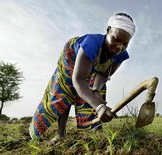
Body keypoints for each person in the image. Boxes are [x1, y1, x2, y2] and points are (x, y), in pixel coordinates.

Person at [29, 12, 135, 140]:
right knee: (66, 91)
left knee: (98, 92)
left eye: (125, 44)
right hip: (71, 56)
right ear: (108, 30)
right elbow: (78, 79)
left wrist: (95, 90)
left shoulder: (121, 54)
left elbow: (104, 74)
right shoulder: (92, 43)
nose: (119, 47)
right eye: (116, 39)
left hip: (92, 65)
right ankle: (60, 134)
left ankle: (97, 130)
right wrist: (100, 107)